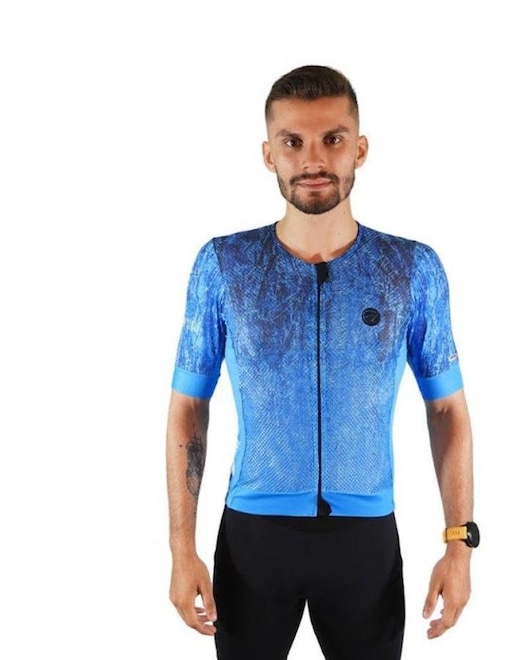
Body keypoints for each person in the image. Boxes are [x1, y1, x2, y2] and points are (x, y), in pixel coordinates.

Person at [166, 64, 477, 660]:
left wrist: (458, 546)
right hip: (253, 542)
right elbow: (187, 409)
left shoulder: (410, 269)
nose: (313, 159)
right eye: (293, 142)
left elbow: (448, 410)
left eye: (332, 139)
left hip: (365, 544)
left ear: (359, 149)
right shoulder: (225, 265)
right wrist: (183, 551)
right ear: (269, 155)